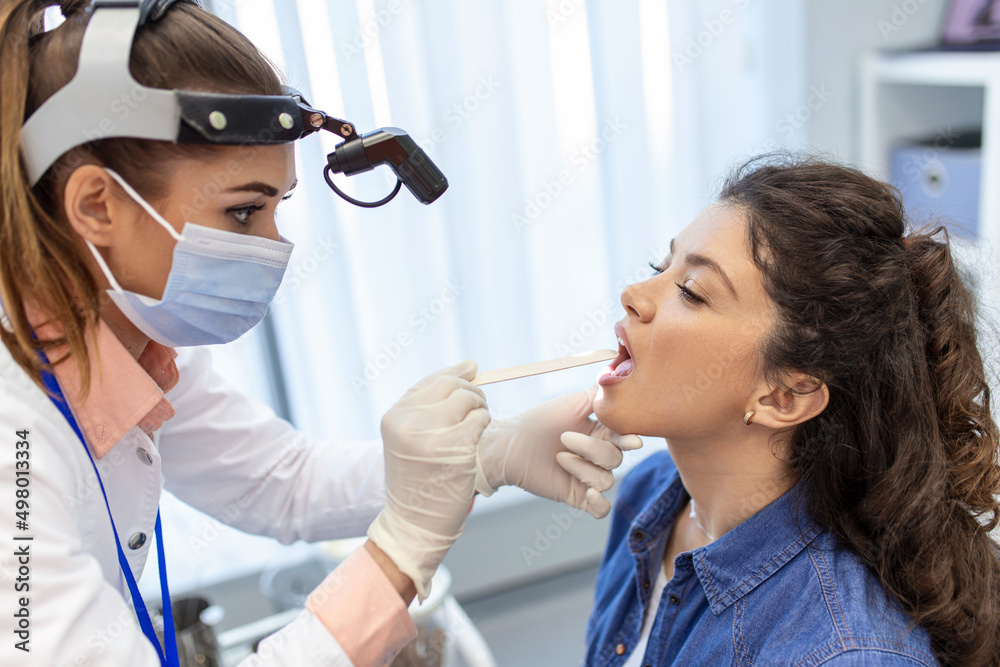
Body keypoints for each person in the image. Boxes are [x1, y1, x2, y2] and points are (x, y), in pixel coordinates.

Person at [0, 1, 640, 665]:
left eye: (277, 208)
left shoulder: (128, 347)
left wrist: (488, 454)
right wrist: (399, 551)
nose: (274, 247)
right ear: (96, 205)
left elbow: (283, 480)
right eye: (243, 211)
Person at [585, 155, 1000, 666]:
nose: (633, 295)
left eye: (691, 292)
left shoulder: (843, 654)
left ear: (785, 396)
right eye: (660, 267)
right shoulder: (651, 494)